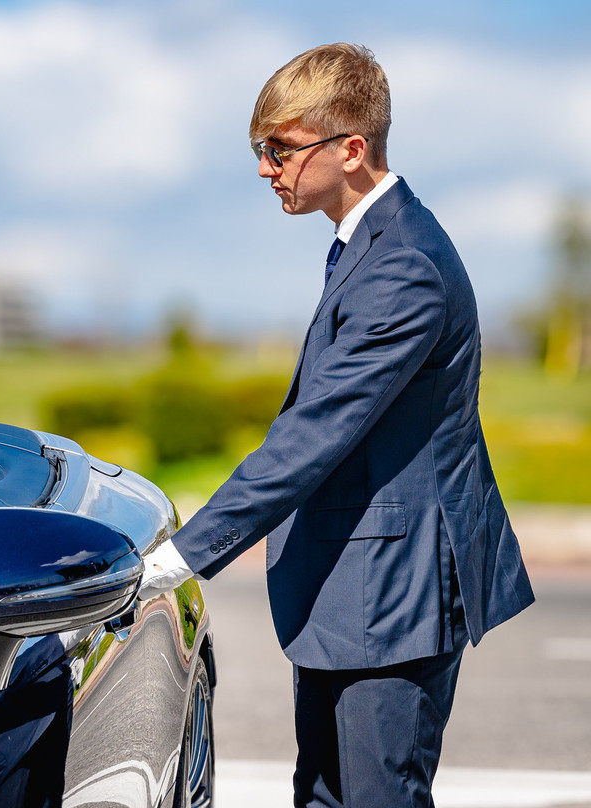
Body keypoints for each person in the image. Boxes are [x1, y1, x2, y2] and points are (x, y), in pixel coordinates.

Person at [140, 43, 535, 808]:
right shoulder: (369, 245)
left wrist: (182, 555)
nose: (266, 168)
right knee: (322, 794)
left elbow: (316, 430)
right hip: (352, 590)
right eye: (263, 149)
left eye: (280, 148)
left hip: (394, 595)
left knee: (375, 797)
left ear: (351, 148)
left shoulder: (405, 266)